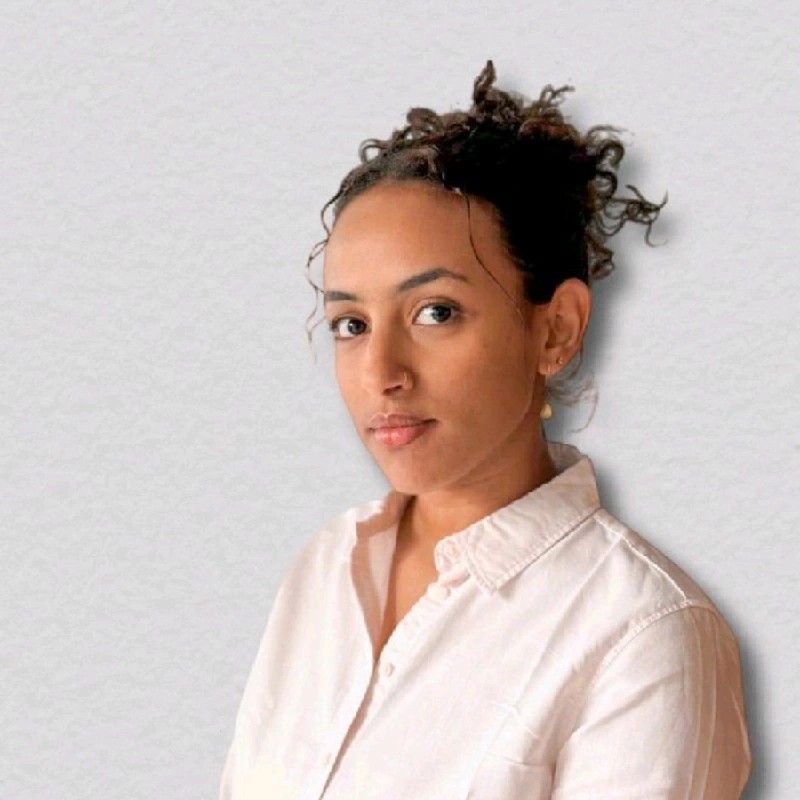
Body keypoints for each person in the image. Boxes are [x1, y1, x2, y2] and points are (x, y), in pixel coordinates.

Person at [218, 60, 752, 799]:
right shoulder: (329, 567)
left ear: (556, 330)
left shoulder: (645, 634)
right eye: (350, 324)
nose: (381, 372)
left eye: (435, 312)